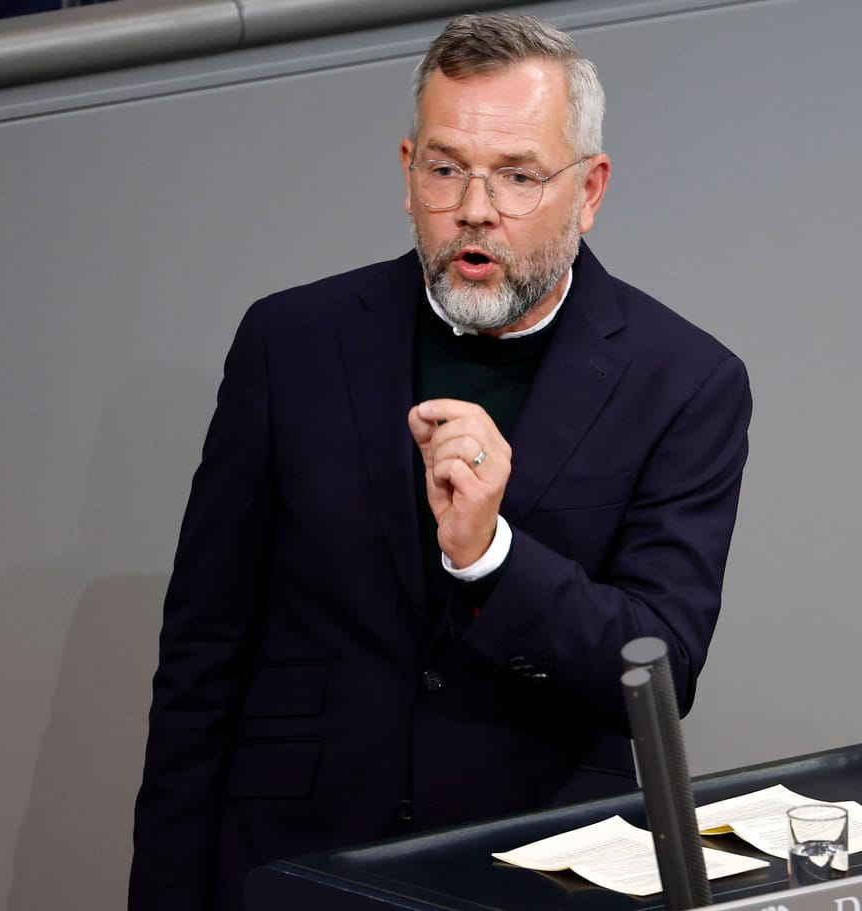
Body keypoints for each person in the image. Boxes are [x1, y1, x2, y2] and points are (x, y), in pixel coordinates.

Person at [128, 13, 751, 911]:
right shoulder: (289, 342)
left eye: (519, 176)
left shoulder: (685, 381)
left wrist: (492, 556)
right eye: (447, 168)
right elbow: (202, 657)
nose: (475, 207)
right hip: (298, 864)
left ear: (590, 190)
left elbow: (657, 671)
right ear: (408, 171)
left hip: (541, 868)